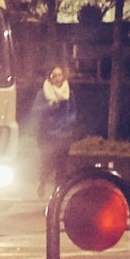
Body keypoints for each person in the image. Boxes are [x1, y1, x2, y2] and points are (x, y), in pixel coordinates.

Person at [31, 65, 75, 195]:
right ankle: (42, 181)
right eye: (54, 75)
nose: (57, 78)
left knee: (62, 165)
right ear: (49, 78)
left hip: (64, 134)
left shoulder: (68, 94)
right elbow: (36, 110)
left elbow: (73, 112)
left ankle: (57, 192)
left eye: (60, 75)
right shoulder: (43, 93)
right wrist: (48, 106)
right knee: (47, 161)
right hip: (47, 134)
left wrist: (69, 123)